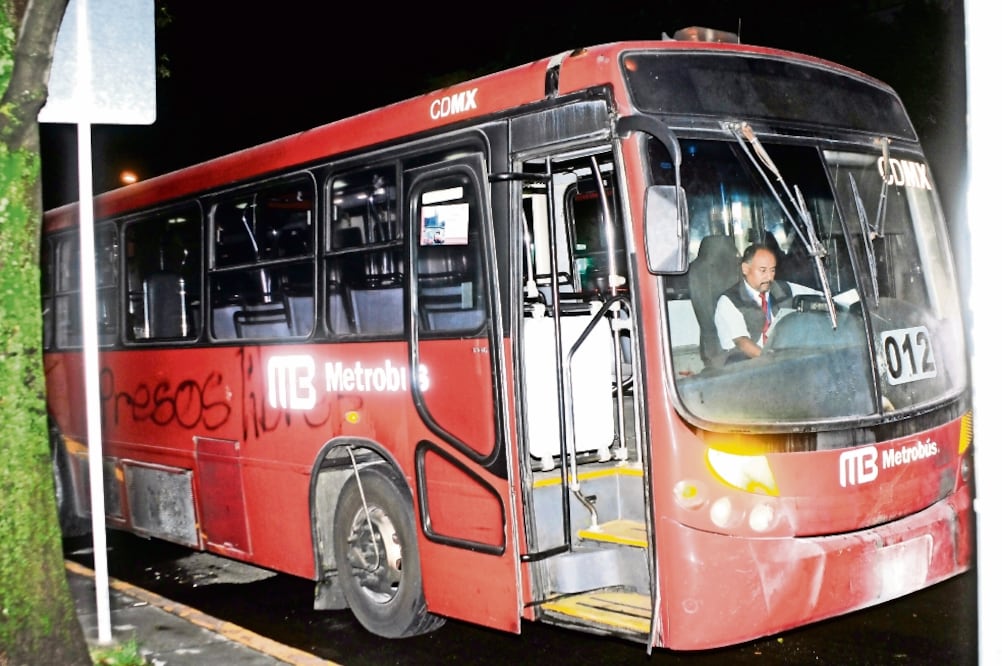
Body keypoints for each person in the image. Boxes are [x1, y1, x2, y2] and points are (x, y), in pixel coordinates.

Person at [713, 243, 814, 360]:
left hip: (779, 356)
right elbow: (743, 343)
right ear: (745, 269)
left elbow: (820, 297)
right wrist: (775, 362)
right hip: (744, 362)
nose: (769, 277)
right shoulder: (728, 301)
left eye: (772, 270)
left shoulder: (783, 288)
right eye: (763, 271)